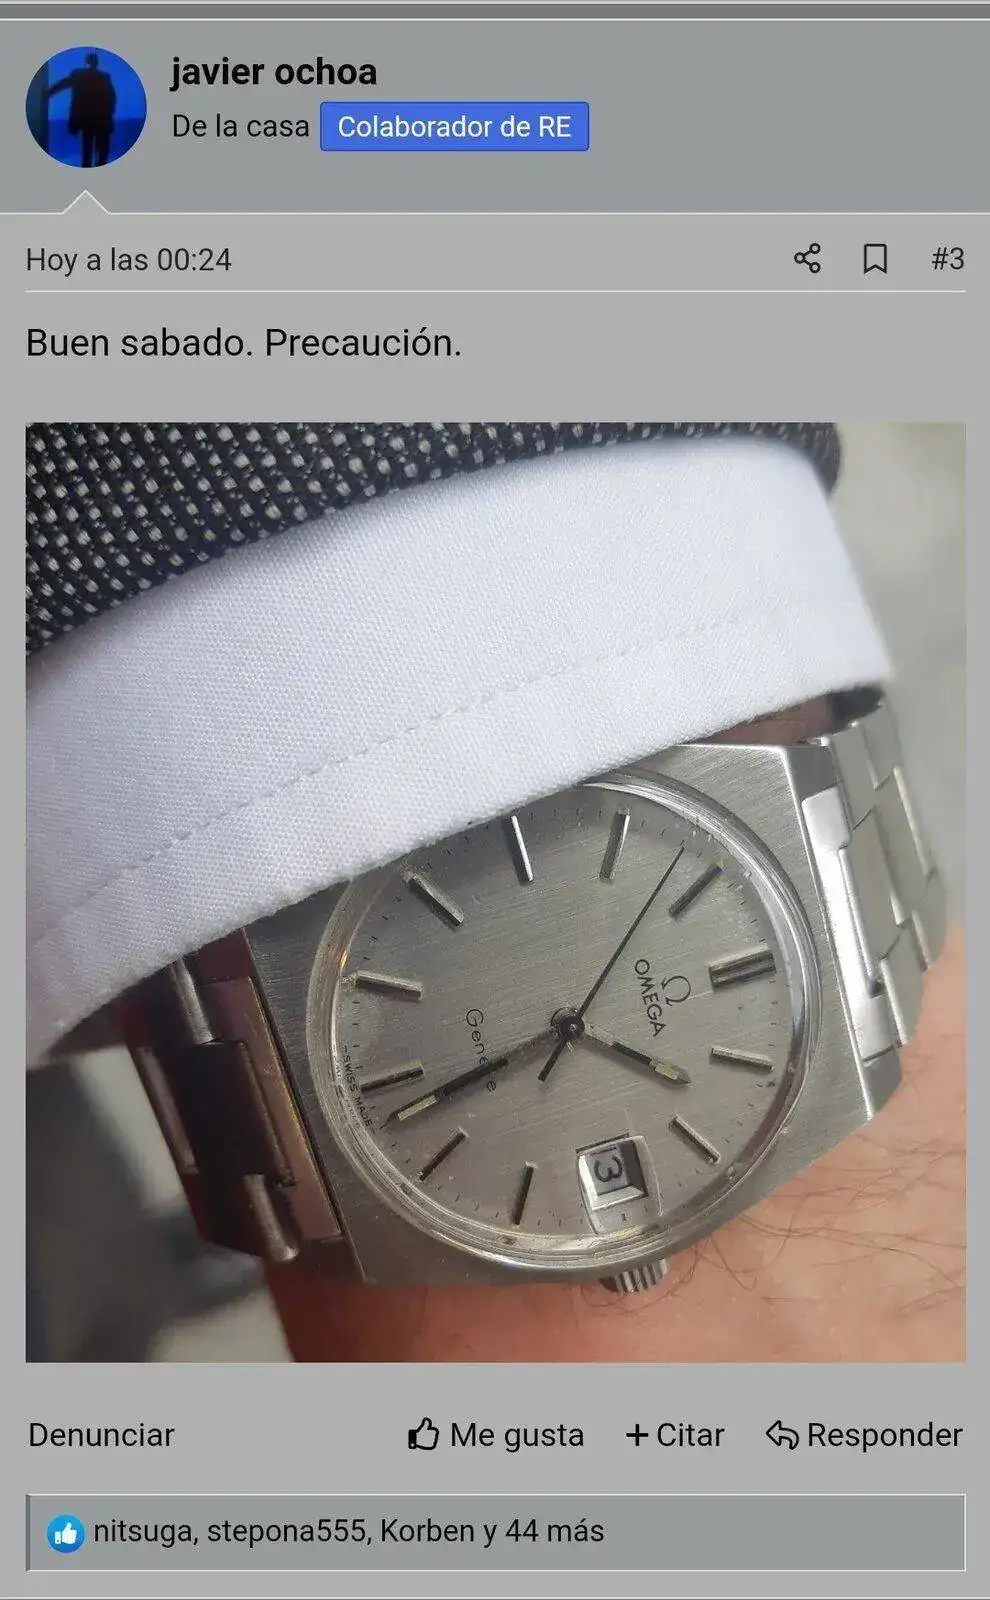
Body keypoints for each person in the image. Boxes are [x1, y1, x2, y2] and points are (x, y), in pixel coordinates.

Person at [46, 51, 116, 168]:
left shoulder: (78, 75)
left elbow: (62, 84)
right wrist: (110, 113)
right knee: (102, 150)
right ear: (97, 62)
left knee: (87, 148)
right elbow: (112, 97)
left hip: (86, 118)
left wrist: (48, 93)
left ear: (86, 62)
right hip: (102, 118)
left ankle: (88, 168)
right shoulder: (104, 77)